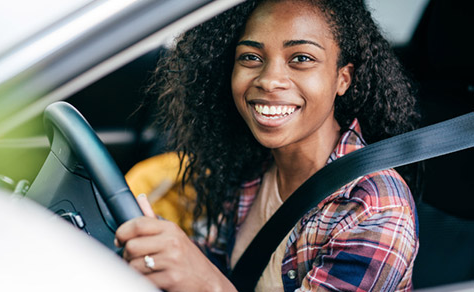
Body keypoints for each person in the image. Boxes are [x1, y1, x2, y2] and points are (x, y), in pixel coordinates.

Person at [115, 0, 419, 291]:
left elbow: (210, 279)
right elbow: (218, 265)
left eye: (301, 58)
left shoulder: (374, 207)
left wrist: (207, 283)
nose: (270, 80)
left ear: (343, 78)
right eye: (250, 57)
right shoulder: (249, 164)